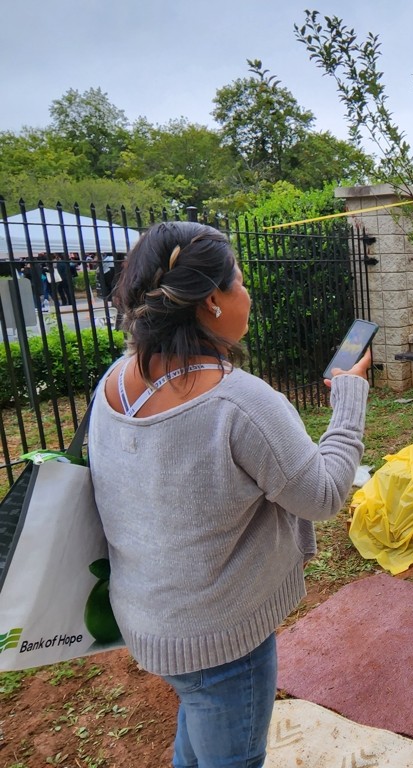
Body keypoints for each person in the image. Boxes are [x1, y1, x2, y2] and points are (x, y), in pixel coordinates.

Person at [88, 221, 371, 768]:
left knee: (196, 736)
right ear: (212, 301)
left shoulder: (114, 381)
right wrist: (351, 397)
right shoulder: (239, 402)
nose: (248, 294)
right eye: (239, 282)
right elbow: (325, 494)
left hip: (150, 620)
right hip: (221, 640)